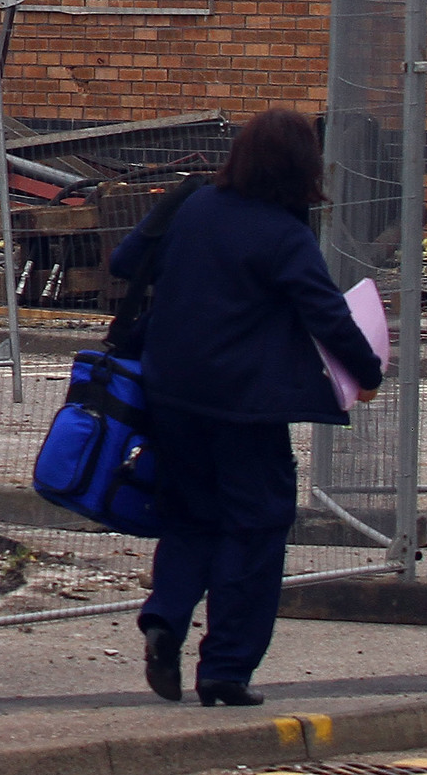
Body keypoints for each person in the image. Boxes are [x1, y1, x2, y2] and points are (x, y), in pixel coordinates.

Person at [109, 104, 386, 708]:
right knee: (255, 528)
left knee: (190, 516)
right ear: (301, 170)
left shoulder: (191, 205)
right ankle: (225, 670)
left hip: (169, 391)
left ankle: (165, 615)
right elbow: (328, 315)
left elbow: (123, 263)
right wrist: (368, 373)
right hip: (245, 406)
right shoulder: (284, 235)